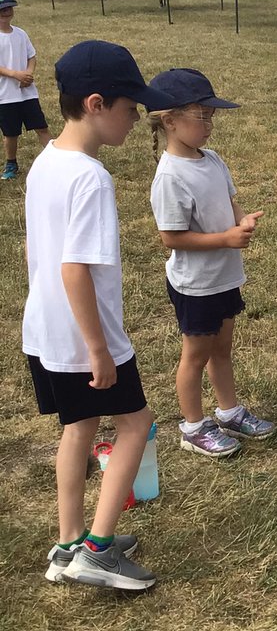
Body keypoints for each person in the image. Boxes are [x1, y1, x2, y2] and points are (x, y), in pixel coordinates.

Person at [23, 40, 176, 590]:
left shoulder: (45, 161)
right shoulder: (91, 177)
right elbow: (74, 270)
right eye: (129, 107)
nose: (135, 118)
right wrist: (98, 349)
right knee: (134, 424)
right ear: (95, 104)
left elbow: (35, 251)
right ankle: (98, 550)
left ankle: (68, 544)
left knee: (78, 428)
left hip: (44, 331)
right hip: (84, 338)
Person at [148, 67, 274, 457]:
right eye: (201, 116)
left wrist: (241, 221)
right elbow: (171, 237)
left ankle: (229, 412)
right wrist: (226, 239)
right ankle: (192, 427)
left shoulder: (213, 159)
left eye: (211, 116)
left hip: (223, 276)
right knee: (195, 355)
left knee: (222, 348)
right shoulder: (170, 177)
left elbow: (230, 200)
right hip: (196, 285)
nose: (209, 125)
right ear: (170, 121)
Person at [0, 0, 50, 180]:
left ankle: (56, 159)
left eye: (9, 8)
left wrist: (28, 74)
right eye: (2, 10)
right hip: (6, 95)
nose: (6, 12)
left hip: (27, 93)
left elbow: (31, 56)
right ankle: (11, 163)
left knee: (41, 127)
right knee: (11, 133)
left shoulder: (21, 34)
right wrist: (15, 75)